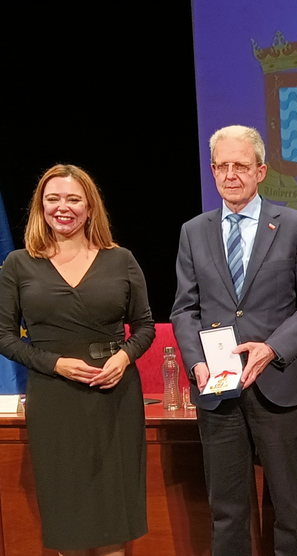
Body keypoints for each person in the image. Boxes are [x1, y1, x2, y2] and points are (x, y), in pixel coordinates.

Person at [170, 125, 297, 556]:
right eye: (221, 166)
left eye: (240, 165)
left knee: (294, 509)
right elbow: (185, 310)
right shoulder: (193, 231)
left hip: (278, 385)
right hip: (217, 390)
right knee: (227, 511)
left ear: (261, 171)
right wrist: (196, 362)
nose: (230, 174)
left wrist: (273, 348)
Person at [0, 164, 155, 556]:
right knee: (70, 524)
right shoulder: (18, 264)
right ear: (41, 206)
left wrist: (124, 357)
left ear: (90, 207)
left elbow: (144, 326)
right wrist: (54, 364)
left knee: (112, 523)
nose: (62, 207)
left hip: (114, 399)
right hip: (55, 401)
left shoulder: (121, 259)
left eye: (73, 199)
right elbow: (3, 336)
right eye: (53, 199)